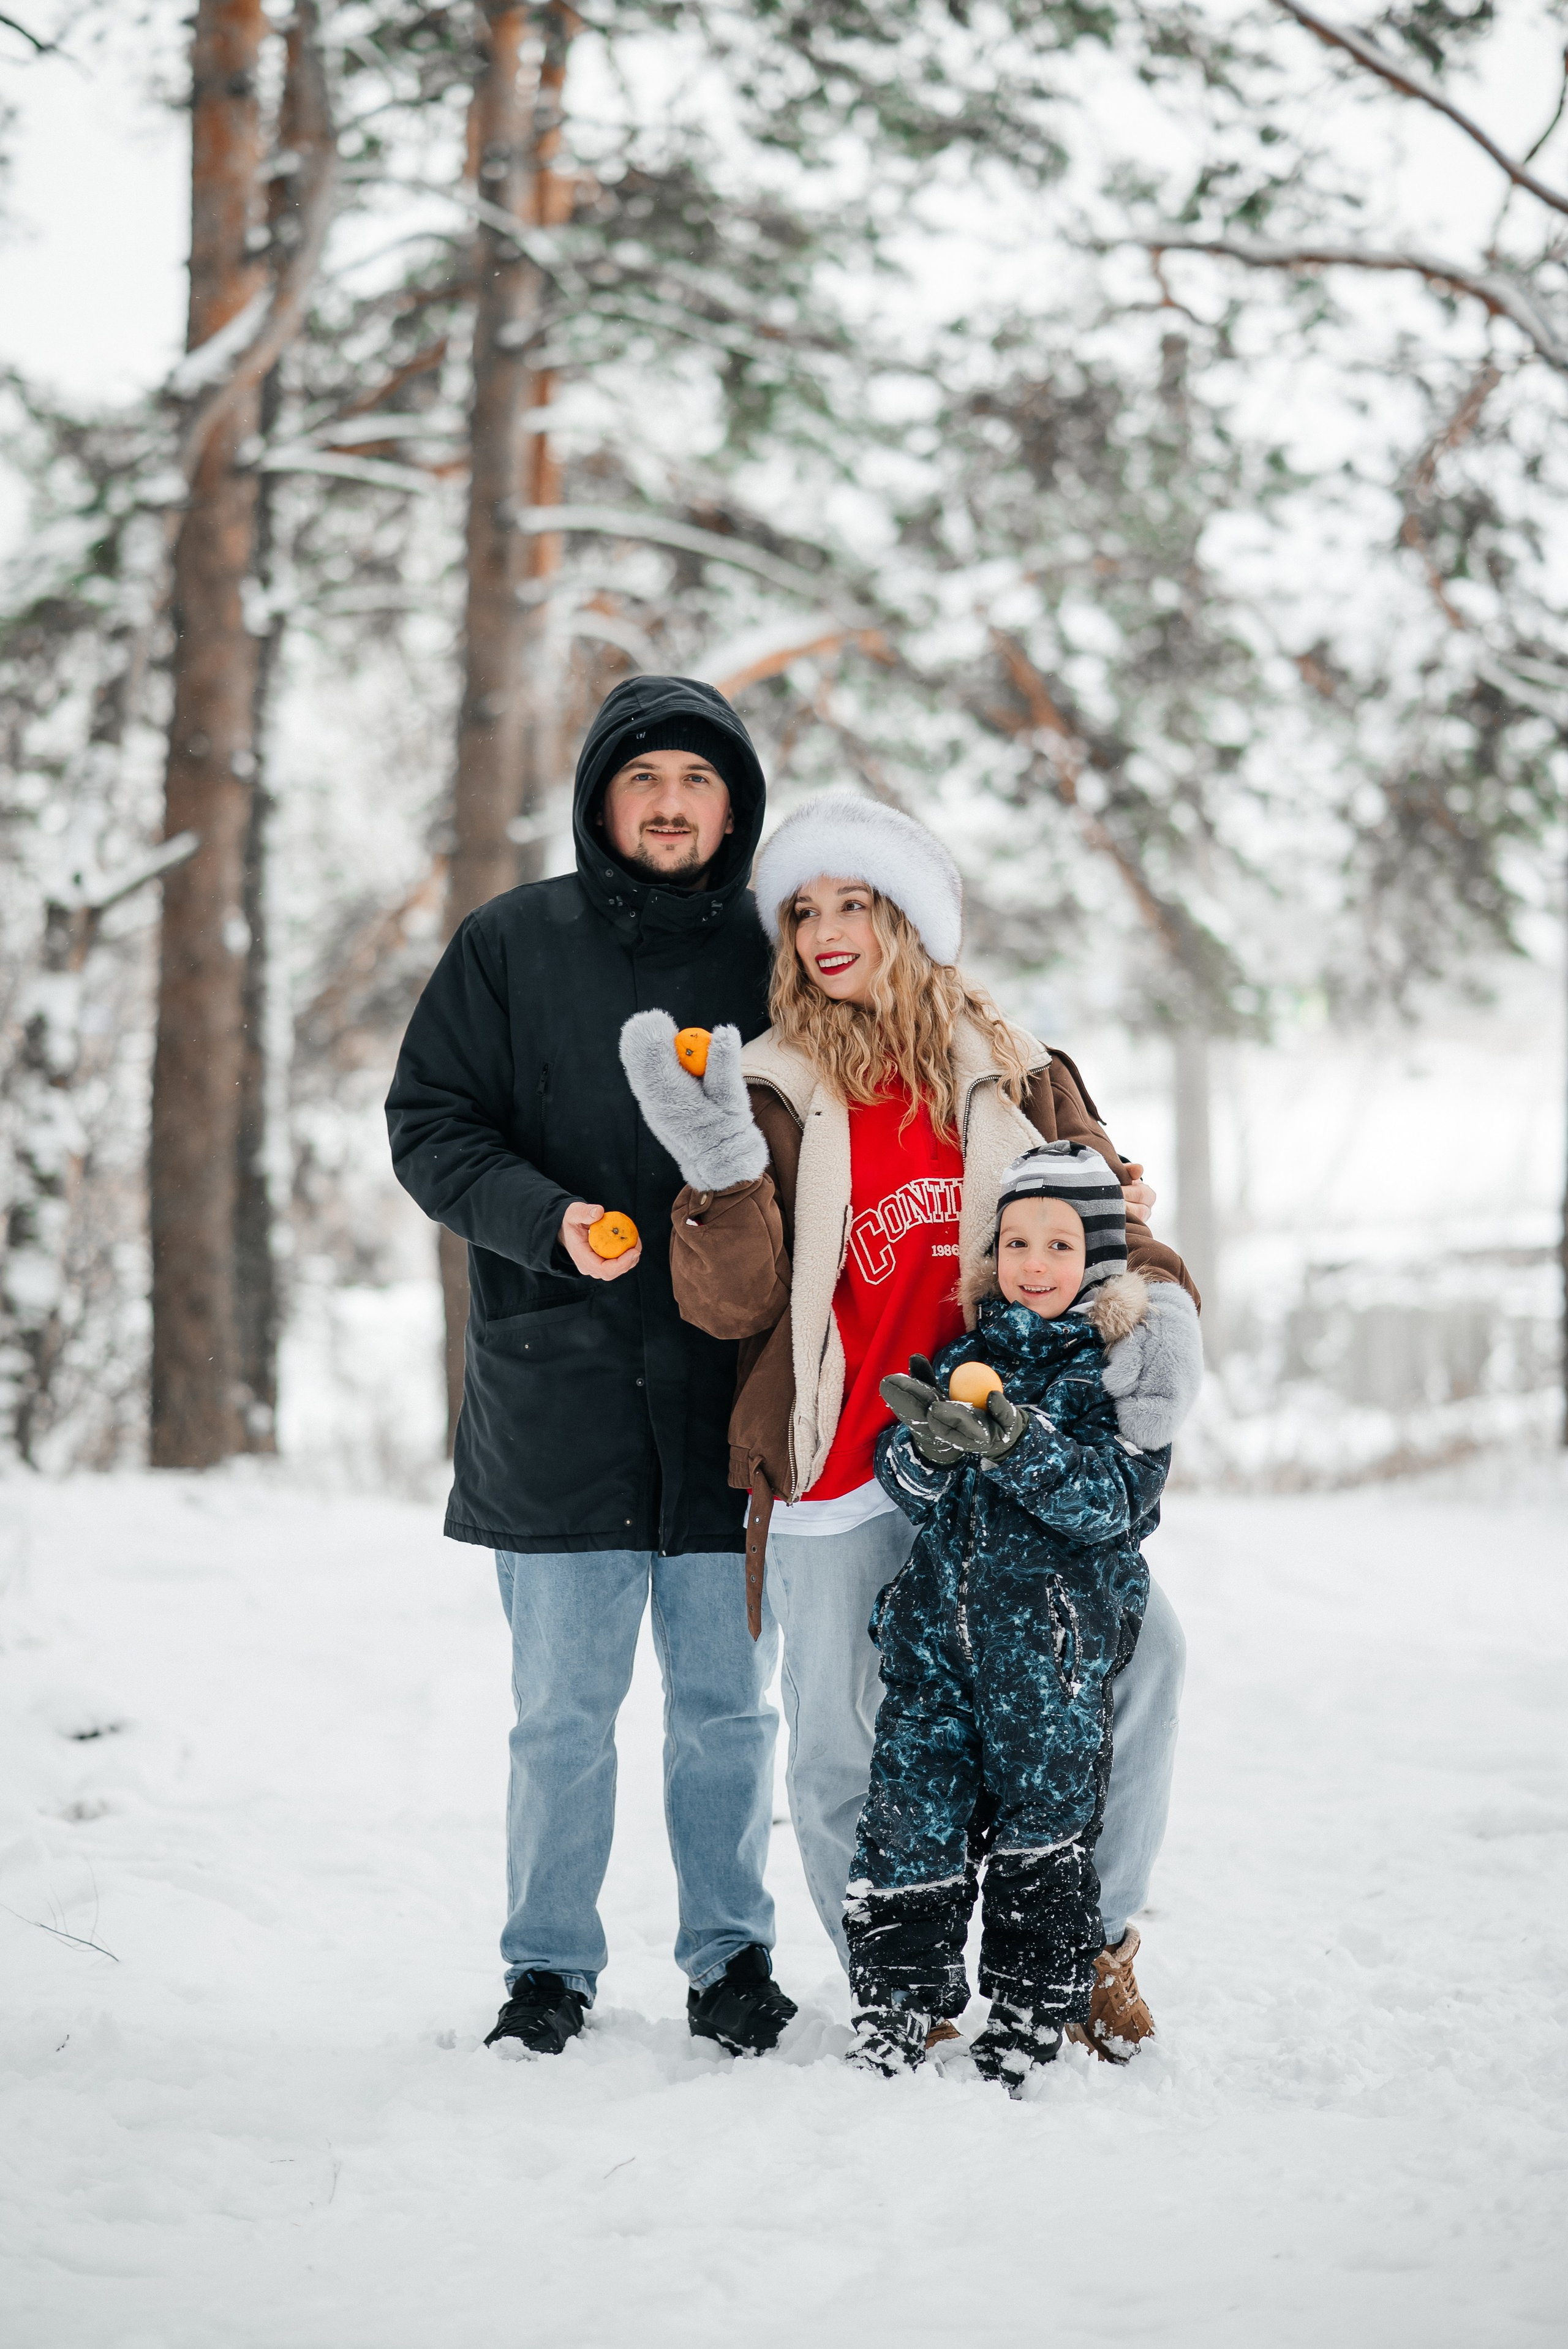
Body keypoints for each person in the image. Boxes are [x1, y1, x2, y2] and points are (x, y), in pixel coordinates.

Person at [617, 791, 1203, 2051]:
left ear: (912, 920)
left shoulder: (1019, 1073)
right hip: (840, 1462)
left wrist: (1162, 1306)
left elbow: (1111, 1221)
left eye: (855, 904)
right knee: (843, 1740)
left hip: (1011, 1462)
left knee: (1142, 1663)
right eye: (804, 911)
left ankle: (1091, 1949)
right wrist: (717, 1179)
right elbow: (727, 1306)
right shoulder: (769, 1090)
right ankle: (901, 1986)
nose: (827, 932)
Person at [385, 676, 800, 2061]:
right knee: (560, 1716)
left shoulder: (781, 952)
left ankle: (731, 1957)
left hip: (729, 1399)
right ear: (601, 801)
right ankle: (547, 1968)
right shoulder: (510, 944)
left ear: (733, 807)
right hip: (556, 1389)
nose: (671, 805)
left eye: (698, 781)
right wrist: (548, 1221)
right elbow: (431, 1124)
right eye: (644, 780)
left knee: (726, 1712)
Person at [845, 1142, 1179, 2087]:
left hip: (1050, 1658)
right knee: (910, 1817)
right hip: (937, 1646)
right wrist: (926, 1454)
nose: (1034, 1263)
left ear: (1097, 1257)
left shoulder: (1118, 1374)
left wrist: (1019, 1444)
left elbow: (1116, 1503)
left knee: (1044, 1831)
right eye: (1017, 1243)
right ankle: (898, 2005)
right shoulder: (968, 1355)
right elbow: (908, 1490)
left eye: (1060, 1245)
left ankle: (1032, 2013)